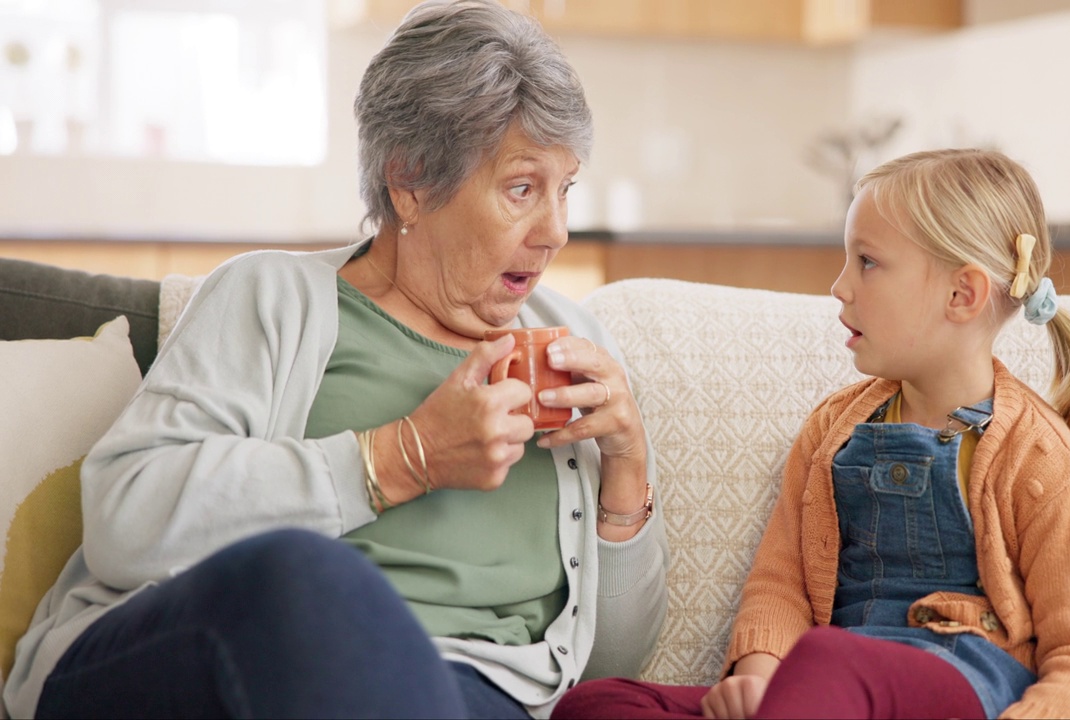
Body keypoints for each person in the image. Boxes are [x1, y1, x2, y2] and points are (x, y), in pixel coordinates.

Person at [3, 1, 668, 718]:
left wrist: (627, 472)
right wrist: (396, 459)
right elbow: (125, 522)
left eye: (565, 189)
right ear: (409, 180)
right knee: (305, 577)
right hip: (217, 666)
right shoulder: (272, 296)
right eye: (521, 188)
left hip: (472, 698)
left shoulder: (570, 339)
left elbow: (608, 666)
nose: (557, 232)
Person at [551, 148, 1070, 720]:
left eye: (867, 262)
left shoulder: (1038, 455)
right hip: (824, 692)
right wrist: (756, 677)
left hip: (960, 680)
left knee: (829, 658)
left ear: (962, 295)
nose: (839, 286)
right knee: (596, 704)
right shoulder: (834, 429)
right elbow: (782, 583)